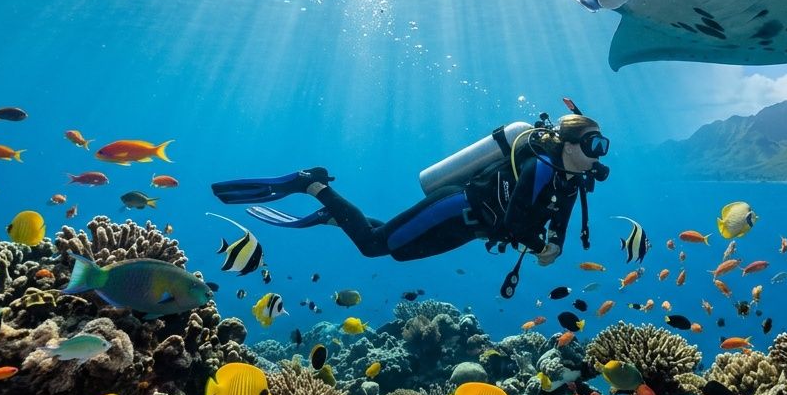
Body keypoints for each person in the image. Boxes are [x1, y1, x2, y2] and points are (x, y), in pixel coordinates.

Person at [212, 111, 609, 274]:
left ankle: (336, 216)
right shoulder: (540, 166)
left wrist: (554, 243)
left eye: (601, 147)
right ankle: (311, 184)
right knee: (373, 246)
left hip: (472, 228)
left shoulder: (569, 178)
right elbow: (516, 220)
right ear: (569, 145)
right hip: (455, 206)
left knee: (397, 250)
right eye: (593, 145)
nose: (598, 155)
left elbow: (560, 219)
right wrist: (540, 248)